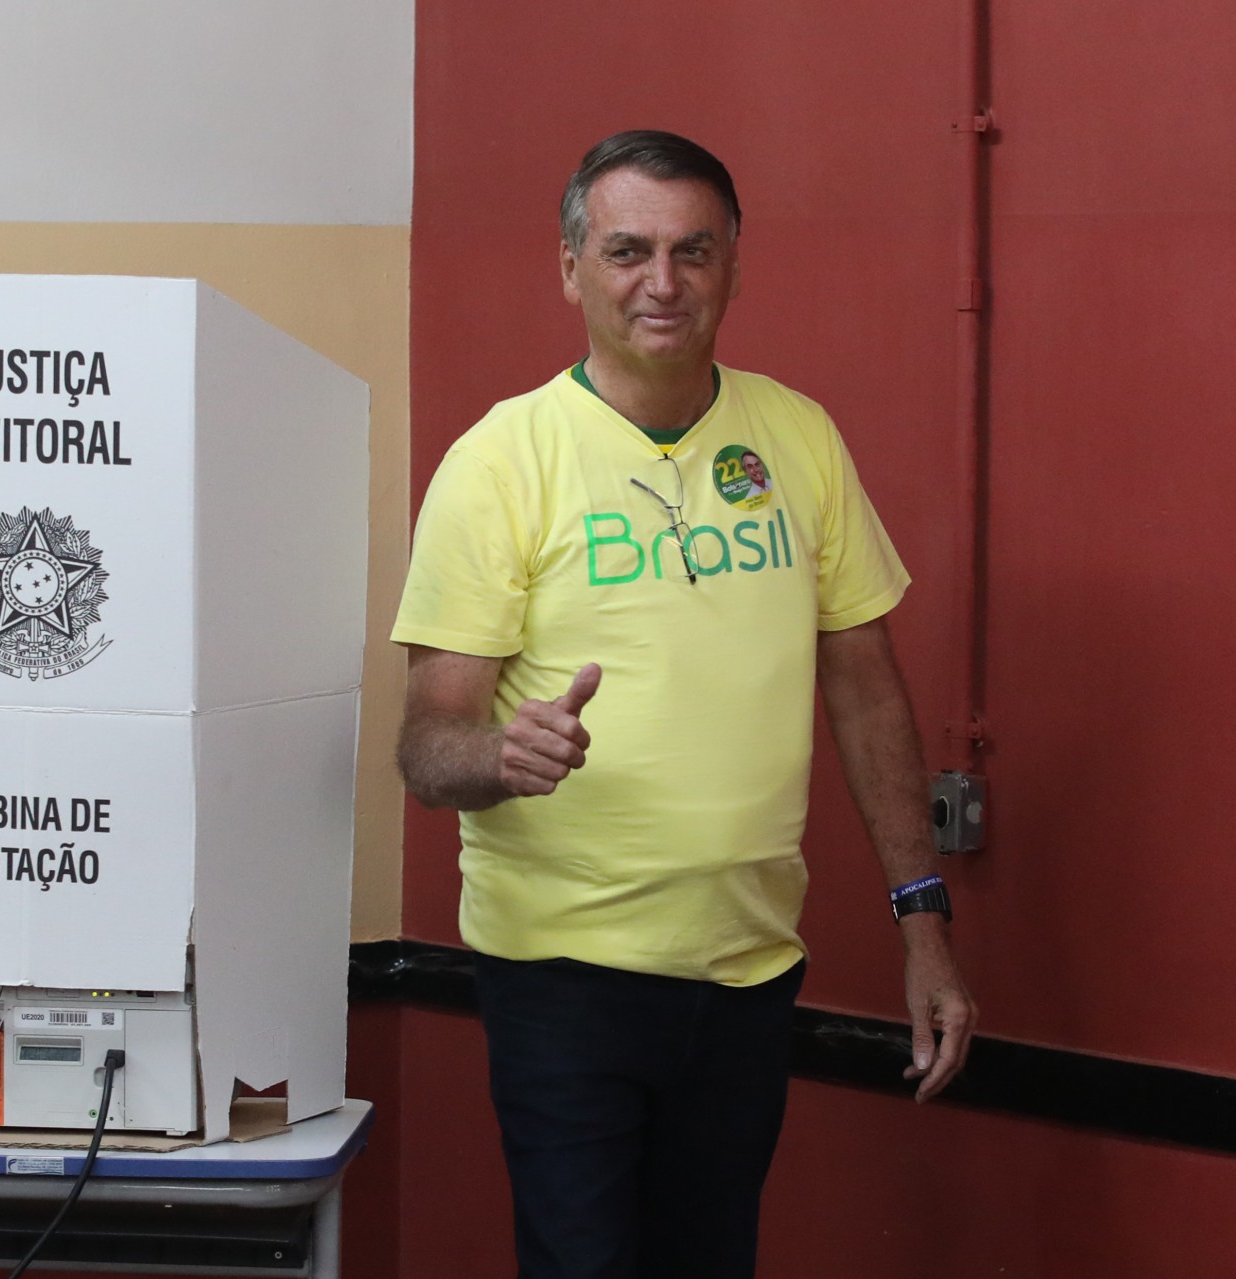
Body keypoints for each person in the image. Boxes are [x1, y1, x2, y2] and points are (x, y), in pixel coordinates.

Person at [391, 129, 976, 1279]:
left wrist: (924, 923)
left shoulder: (798, 437)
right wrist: (503, 752)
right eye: (628, 251)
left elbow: (865, 691)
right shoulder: (501, 462)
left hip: (747, 969)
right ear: (571, 269)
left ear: (734, 265)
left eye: (692, 251)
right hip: (564, 974)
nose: (662, 282)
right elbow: (426, 740)